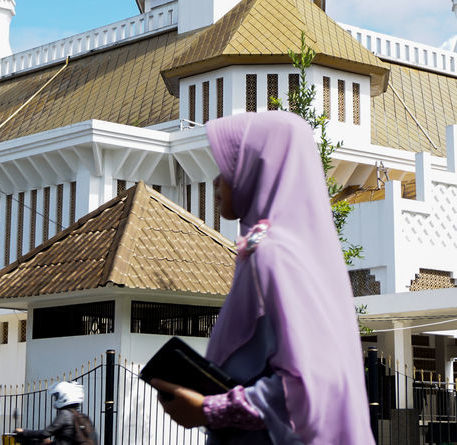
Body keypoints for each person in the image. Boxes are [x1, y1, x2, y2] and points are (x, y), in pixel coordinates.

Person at [151, 110, 375, 444]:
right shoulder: (304, 252)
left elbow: (308, 385)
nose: (216, 180)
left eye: (230, 166)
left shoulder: (274, 254)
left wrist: (209, 410)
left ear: (260, 170)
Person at [13, 381, 96, 445]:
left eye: (57, 396)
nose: (56, 399)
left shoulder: (65, 414)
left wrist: (23, 432)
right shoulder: (79, 416)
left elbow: (45, 433)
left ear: (65, 396)